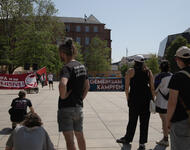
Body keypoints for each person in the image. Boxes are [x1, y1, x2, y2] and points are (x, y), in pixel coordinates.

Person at [116, 55, 155, 150]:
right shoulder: (148, 72)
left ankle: (128, 138)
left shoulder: (130, 71)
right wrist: (153, 100)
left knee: (132, 120)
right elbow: (152, 87)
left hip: (134, 99)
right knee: (144, 122)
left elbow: (126, 88)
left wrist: (128, 99)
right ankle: (142, 144)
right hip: (146, 99)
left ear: (135, 62)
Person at [57, 37, 90, 150]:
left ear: (63, 53)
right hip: (78, 107)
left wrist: (63, 96)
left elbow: (62, 84)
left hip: (66, 108)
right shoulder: (82, 66)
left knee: (70, 140)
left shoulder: (66, 68)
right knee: (80, 135)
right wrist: (80, 99)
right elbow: (87, 86)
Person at [167, 46, 190, 150]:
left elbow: (172, 102)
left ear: (179, 60)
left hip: (181, 120)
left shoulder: (177, 77)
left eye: (176, 59)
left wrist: (167, 121)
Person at [154, 60, 172, 146]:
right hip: (171, 101)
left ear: (160, 67)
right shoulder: (172, 75)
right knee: (168, 118)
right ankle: (168, 131)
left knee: (164, 119)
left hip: (161, 102)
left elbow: (155, 89)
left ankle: (165, 139)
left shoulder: (159, 77)